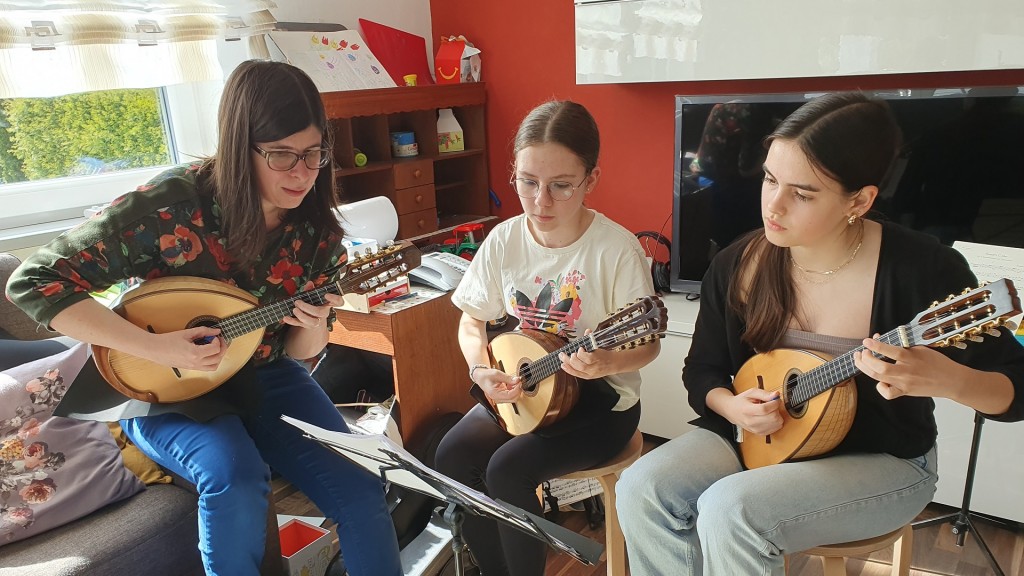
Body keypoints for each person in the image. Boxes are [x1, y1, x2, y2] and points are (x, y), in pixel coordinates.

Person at [6, 60, 402, 576]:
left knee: (361, 483)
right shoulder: (171, 207)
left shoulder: (317, 233)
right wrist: (159, 348)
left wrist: (315, 317)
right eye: (281, 155)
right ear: (241, 147)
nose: (302, 173)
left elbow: (302, 353)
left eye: (313, 154)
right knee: (234, 477)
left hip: (261, 371)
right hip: (157, 384)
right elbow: (32, 282)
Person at [615, 92, 1024, 575]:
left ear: (861, 200)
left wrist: (949, 380)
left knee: (732, 510)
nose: (774, 205)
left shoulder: (922, 269)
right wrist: (731, 406)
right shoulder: (738, 264)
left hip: (882, 459)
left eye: (803, 193)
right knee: (641, 487)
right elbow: (702, 369)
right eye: (770, 179)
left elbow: (1015, 393)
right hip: (762, 441)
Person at [434, 100, 661, 576]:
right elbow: (471, 320)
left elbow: (649, 344)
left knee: (506, 470)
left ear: (591, 180)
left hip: (603, 403)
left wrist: (605, 363)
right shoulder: (504, 239)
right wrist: (481, 368)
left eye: (561, 186)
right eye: (527, 182)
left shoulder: (616, 250)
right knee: (452, 453)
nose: (541, 202)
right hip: (532, 387)